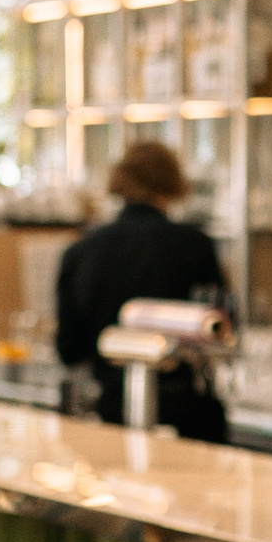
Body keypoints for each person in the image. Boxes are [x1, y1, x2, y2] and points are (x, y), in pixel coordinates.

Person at [53, 142, 233, 439]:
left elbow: (68, 350)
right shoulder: (195, 246)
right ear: (174, 184)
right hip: (186, 415)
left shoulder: (81, 251)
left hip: (111, 410)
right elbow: (219, 332)